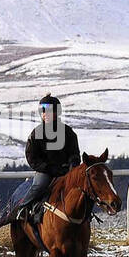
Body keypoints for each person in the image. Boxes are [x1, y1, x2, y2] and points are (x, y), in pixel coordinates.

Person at [6, 93, 81, 224]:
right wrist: (48, 168)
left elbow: (74, 153)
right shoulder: (36, 133)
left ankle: (86, 215)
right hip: (46, 172)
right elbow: (32, 157)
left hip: (66, 171)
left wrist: (72, 164)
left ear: (57, 112)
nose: (44, 114)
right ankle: (22, 210)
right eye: (42, 111)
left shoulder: (68, 132)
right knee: (39, 186)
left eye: (48, 111)